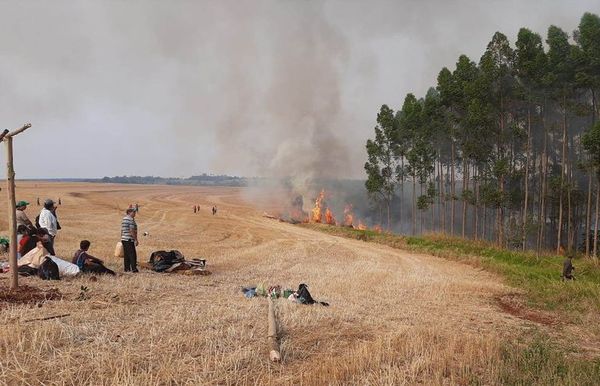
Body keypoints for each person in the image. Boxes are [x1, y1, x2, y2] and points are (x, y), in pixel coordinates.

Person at [121, 208, 139, 272]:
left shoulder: (124, 219)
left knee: (126, 255)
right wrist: (136, 240)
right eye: (133, 212)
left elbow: (122, 230)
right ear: (129, 212)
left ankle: (127, 268)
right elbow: (131, 231)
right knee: (132, 254)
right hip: (129, 239)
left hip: (124, 239)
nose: (135, 214)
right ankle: (134, 269)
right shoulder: (130, 220)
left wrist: (122, 237)